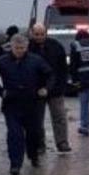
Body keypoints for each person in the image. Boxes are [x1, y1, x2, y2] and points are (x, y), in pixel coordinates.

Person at [0, 34, 54, 175]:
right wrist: (1, 92)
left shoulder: (36, 60)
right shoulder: (2, 61)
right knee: (14, 135)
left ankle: (33, 156)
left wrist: (46, 89)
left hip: (32, 103)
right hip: (11, 104)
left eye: (22, 48)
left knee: (33, 133)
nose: (19, 51)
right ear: (12, 47)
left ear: (27, 47)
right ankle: (15, 164)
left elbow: (50, 75)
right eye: (17, 48)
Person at [28, 23, 71, 153]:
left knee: (59, 117)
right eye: (36, 34)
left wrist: (62, 85)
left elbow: (63, 68)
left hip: (56, 89)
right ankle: (40, 145)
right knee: (36, 119)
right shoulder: (28, 48)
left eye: (42, 34)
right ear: (32, 33)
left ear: (46, 33)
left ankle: (62, 142)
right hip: (36, 90)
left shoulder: (56, 46)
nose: (39, 37)